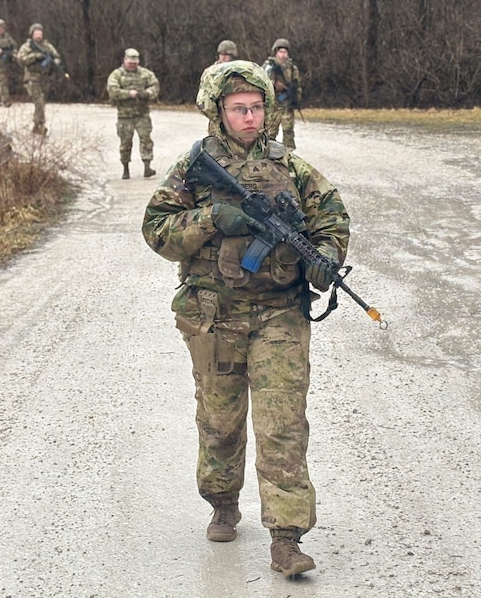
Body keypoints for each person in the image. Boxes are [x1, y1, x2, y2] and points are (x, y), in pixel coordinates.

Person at [142, 60, 350, 578]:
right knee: (220, 421)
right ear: (217, 112)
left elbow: (332, 219)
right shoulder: (193, 169)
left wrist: (324, 258)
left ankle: (286, 538)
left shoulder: (294, 168)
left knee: (283, 423)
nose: (251, 117)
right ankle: (222, 501)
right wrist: (212, 218)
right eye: (239, 109)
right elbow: (156, 230)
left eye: (257, 107)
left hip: (280, 312)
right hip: (214, 316)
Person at [106, 47, 159, 179]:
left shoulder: (145, 74)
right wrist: (128, 94)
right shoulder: (116, 75)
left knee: (146, 140)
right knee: (125, 143)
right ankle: (125, 169)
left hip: (142, 114)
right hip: (124, 115)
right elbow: (112, 90)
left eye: (135, 63)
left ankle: (147, 167)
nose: (132, 65)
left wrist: (146, 93)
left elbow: (155, 86)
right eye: (130, 63)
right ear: (124, 60)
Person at [16, 22, 68, 136]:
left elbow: (56, 57)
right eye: (36, 33)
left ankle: (36, 125)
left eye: (40, 32)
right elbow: (20, 60)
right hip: (32, 77)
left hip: (44, 78)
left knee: (42, 102)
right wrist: (34, 56)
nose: (39, 35)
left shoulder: (47, 46)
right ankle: (40, 125)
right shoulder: (27, 46)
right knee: (39, 101)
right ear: (32, 34)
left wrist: (55, 62)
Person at [262, 38, 302, 149]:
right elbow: (262, 82)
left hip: (287, 105)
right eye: (281, 51)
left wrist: (296, 99)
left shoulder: (292, 68)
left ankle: (288, 156)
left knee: (288, 132)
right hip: (273, 105)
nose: (283, 55)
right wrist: (274, 84)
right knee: (270, 133)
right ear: (276, 52)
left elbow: (297, 85)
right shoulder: (269, 66)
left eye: (285, 52)